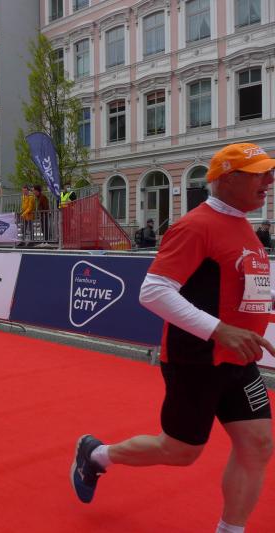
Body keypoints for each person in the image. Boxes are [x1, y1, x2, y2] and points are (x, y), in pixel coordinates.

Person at [70, 143, 275, 533]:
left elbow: (243, 285)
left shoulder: (244, 225)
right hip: (197, 361)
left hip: (239, 360)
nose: (270, 180)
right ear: (229, 179)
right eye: (260, 173)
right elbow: (153, 292)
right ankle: (96, 455)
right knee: (181, 451)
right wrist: (219, 329)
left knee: (259, 445)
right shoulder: (196, 225)